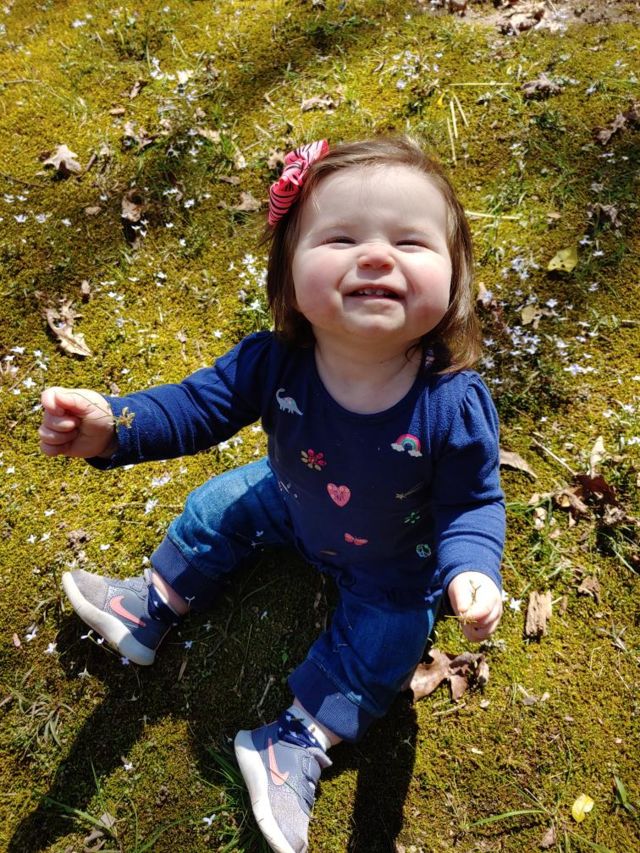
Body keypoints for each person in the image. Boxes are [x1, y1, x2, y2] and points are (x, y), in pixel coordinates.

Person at [39, 137, 505, 853]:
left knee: (390, 638)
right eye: (341, 238)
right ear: (289, 274)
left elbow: (472, 503)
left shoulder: (452, 403)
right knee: (217, 504)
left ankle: (296, 740)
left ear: (456, 276)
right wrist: (114, 427)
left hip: (396, 563)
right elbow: (193, 407)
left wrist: (471, 569)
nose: (375, 257)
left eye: (410, 241)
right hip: (290, 500)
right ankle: (152, 601)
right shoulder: (275, 362)